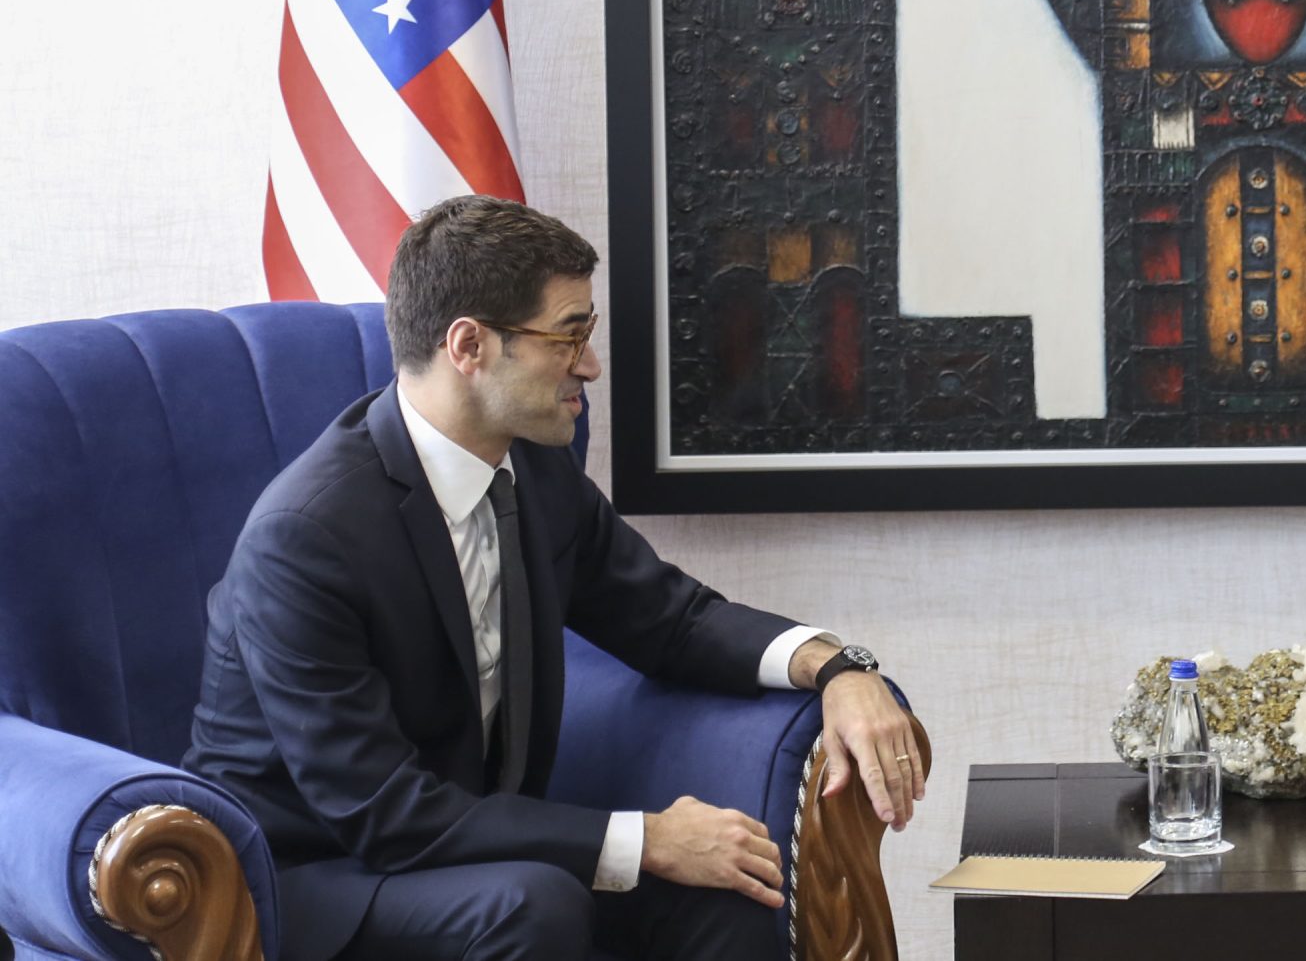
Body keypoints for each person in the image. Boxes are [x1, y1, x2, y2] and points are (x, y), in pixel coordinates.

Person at [185, 196, 927, 961]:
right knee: (533, 904)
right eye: (568, 334)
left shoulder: (535, 469)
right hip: (309, 876)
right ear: (470, 345)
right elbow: (384, 812)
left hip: (469, 851)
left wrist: (838, 667)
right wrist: (649, 838)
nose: (591, 364)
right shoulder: (306, 537)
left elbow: (672, 619)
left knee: (735, 885)